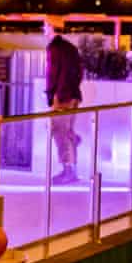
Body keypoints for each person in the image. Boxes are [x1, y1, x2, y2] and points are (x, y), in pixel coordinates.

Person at [46, 33, 83, 184]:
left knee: (60, 133)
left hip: (62, 97)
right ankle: (72, 168)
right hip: (74, 95)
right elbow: (80, 72)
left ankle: (68, 171)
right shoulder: (71, 49)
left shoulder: (54, 49)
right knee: (66, 132)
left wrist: (52, 95)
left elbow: (52, 74)